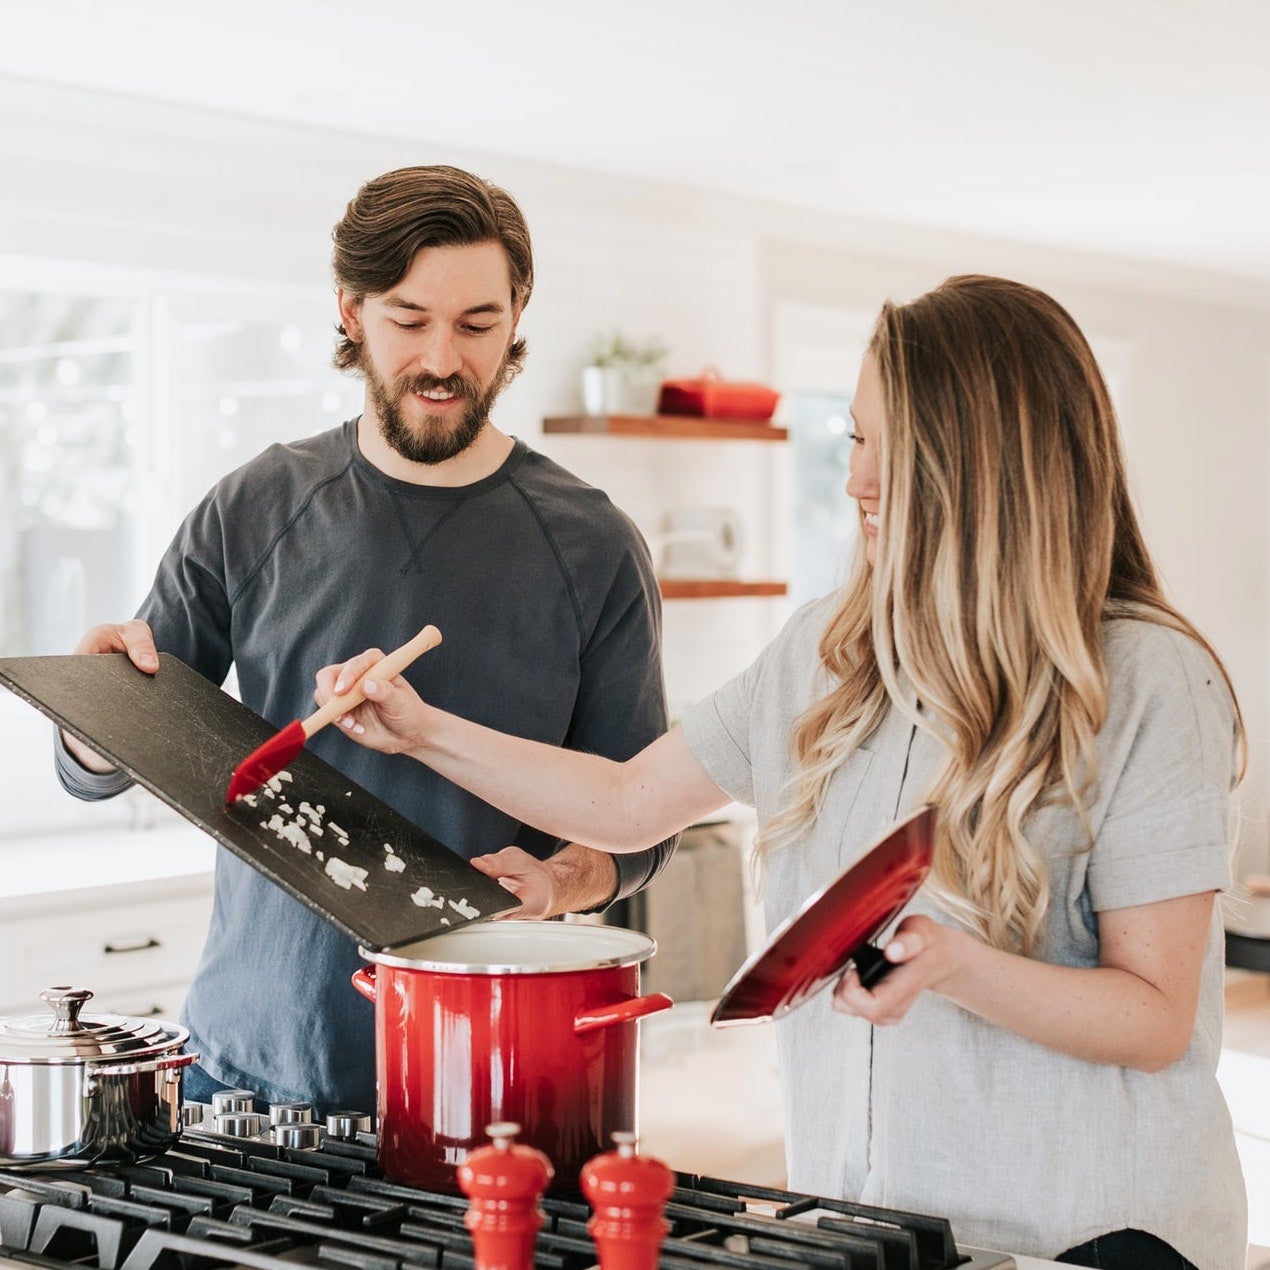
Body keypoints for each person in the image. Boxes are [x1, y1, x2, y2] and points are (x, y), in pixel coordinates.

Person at [315, 275, 1247, 1269]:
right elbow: (629, 801)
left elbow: (1153, 1016)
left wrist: (960, 966)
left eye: (896, 446)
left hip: (1090, 1238)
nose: (857, 480)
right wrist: (420, 730)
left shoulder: (1149, 679)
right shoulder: (825, 654)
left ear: (991, 465)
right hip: (868, 1231)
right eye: (854, 437)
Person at [55, 164, 676, 1116]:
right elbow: (111, 751)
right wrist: (90, 716)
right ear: (350, 310)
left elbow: (641, 828)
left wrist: (560, 880)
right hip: (245, 1068)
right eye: (408, 318)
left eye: (476, 324)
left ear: (517, 316)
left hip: (488, 1074)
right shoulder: (254, 506)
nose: (442, 358)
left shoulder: (593, 546)